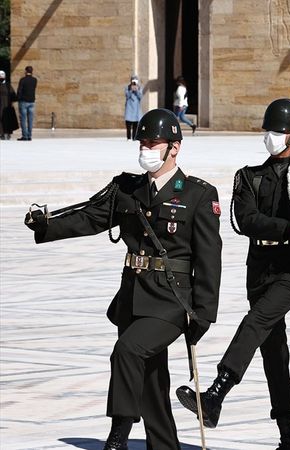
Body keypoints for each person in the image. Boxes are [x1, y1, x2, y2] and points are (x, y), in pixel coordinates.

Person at [23, 108, 222, 449]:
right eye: (142, 143)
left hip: (171, 301)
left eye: (153, 143)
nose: (146, 149)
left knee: (127, 352)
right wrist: (46, 226)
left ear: (174, 147)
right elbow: (90, 218)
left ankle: (119, 434)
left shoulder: (197, 194)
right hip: (133, 296)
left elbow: (209, 258)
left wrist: (204, 313)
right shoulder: (127, 188)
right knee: (151, 380)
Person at [176, 99, 290, 450]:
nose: (271, 137)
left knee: (255, 321)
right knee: (274, 353)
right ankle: (288, 439)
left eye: (279, 132)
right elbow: (246, 221)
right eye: (268, 131)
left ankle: (216, 393)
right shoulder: (249, 176)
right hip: (260, 268)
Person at [16, 65, 37, 141]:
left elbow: (19, 90)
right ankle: (29, 136)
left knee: (23, 119)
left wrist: (18, 98)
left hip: (23, 101)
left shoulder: (23, 80)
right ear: (32, 71)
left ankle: (25, 136)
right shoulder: (34, 80)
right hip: (32, 102)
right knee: (30, 120)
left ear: (25, 71)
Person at [0, 69, 19, 140]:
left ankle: (7, 133)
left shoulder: (8, 85)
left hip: (7, 105)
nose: (1, 78)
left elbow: (13, 95)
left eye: (2, 76)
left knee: (7, 119)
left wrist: (12, 103)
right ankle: (2, 133)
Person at [124, 76, 143, 140]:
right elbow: (127, 96)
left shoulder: (139, 87)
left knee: (135, 125)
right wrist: (131, 90)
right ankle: (128, 138)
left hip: (136, 109)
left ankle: (134, 137)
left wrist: (137, 90)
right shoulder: (127, 87)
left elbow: (140, 97)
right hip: (129, 109)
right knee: (128, 125)